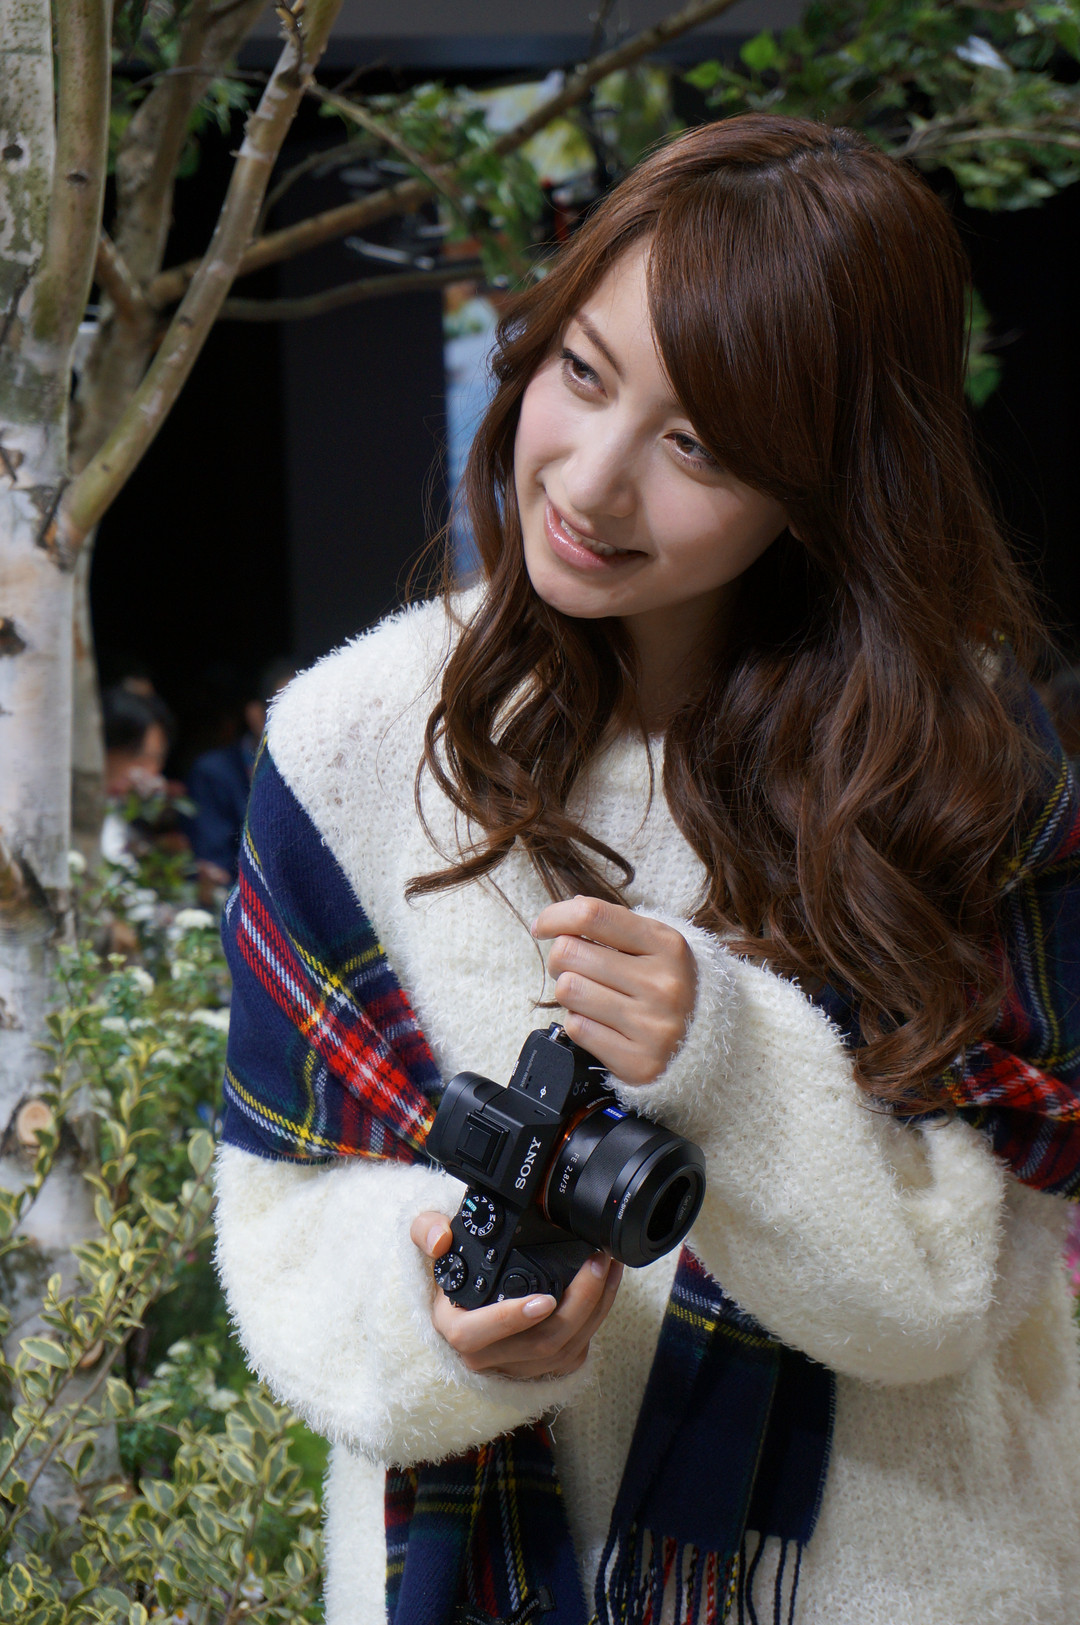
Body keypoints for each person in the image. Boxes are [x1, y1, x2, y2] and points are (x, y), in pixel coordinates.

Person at [213, 116, 1080, 1625]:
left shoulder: (955, 777)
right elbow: (285, 1225)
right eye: (582, 372)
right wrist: (441, 1311)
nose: (594, 482)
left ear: (830, 481)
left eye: (700, 446)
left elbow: (956, 1293)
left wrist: (726, 1063)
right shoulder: (352, 744)